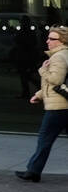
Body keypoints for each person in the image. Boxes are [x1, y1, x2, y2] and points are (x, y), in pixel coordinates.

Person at [15, 25, 68, 181]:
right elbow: (56, 84)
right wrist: (39, 95)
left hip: (58, 107)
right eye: (48, 38)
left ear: (62, 41)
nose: (47, 41)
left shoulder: (58, 57)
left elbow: (56, 80)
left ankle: (33, 171)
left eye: (52, 39)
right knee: (45, 140)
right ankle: (33, 171)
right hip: (63, 105)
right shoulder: (64, 55)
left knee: (44, 140)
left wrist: (42, 71)